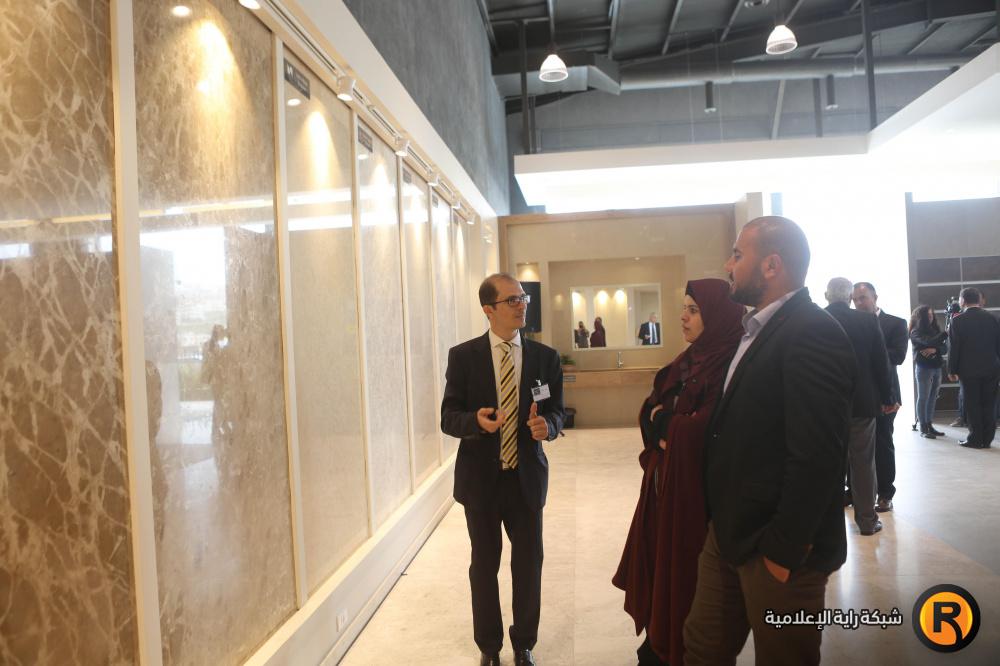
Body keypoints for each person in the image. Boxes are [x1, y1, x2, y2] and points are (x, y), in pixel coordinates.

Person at [683, 216, 855, 666]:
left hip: (778, 547)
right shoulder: (755, 330)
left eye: (738, 255)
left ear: (771, 265)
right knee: (701, 648)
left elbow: (818, 455)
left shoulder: (812, 331)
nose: (728, 264)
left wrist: (784, 550)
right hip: (730, 532)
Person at [613, 279, 744, 666]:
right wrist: (662, 423)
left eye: (694, 310)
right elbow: (652, 410)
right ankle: (658, 637)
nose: (683, 317)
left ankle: (672, 644)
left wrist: (666, 423)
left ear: (717, 316)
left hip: (695, 498)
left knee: (689, 576)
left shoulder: (730, 367)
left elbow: (702, 430)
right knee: (659, 564)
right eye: (684, 308)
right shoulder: (688, 360)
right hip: (663, 488)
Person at [440, 273, 565, 666]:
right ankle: (489, 647)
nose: (521, 305)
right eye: (512, 300)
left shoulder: (545, 358)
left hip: (526, 480)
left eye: (523, 298)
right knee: (484, 566)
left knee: (528, 565)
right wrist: (475, 422)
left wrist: (549, 426)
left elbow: (557, 411)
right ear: (488, 309)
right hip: (481, 482)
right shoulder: (464, 357)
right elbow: (448, 417)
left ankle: (524, 643)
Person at [824, 277, 892, 535]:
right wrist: (887, 398)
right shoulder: (867, 321)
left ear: (826, 295)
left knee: (827, 463)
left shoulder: (815, 320)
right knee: (863, 463)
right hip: (862, 405)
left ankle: (827, 524)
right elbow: (881, 364)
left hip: (824, 406)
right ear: (849, 298)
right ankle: (866, 520)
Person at [852, 282, 907, 513]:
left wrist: (871, 351)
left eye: (863, 297)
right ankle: (856, 491)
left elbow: (899, 356)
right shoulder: (850, 323)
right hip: (857, 394)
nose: (859, 303)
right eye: (855, 299)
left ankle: (885, 493)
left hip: (886, 394)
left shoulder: (895, 323)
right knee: (855, 446)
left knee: (883, 444)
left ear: (875, 297)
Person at [947, 287, 1000, 449]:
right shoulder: (993, 318)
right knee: (989, 404)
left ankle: (975, 439)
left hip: (968, 370)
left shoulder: (957, 320)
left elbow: (954, 348)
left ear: (962, 301)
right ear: (979, 300)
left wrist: (951, 370)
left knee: (972, 405)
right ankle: (987, 438)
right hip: (992, 368)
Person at [909, 304, 948, 439]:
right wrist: (943, 335)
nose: (931, 318)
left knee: (933, 397)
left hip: (937, 367)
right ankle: (923, 427)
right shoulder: (915, 332)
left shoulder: (935, 329)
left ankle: (929, 424)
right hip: (924, 368)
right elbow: (928, 342)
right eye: (928, 315)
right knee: (923, 397)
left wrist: (935, 349)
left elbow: (944, 349)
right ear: (922, 317)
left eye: (932, 315)